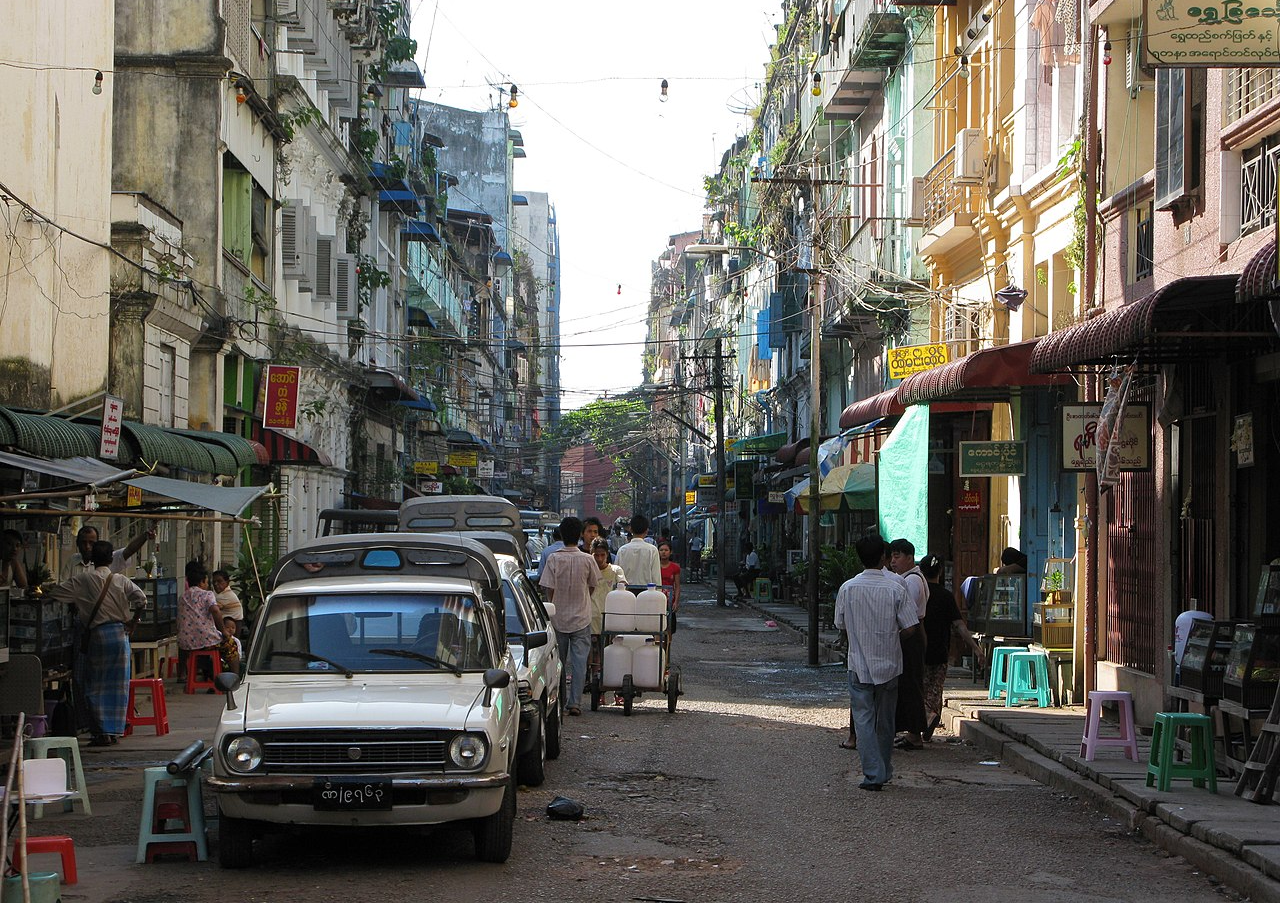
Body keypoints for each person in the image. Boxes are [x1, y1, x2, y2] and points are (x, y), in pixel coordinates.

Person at [834, 534, 919, 791]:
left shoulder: (848, 588)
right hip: (889, 664)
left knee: (863, 719)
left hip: (858, 663)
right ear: (883, 557)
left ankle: (874, 774)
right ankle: (884, 768)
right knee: (886, 720)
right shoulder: (896, 587)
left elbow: (840, 624)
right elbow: (911, 627)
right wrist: (892, 636)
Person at [48, 540, 146, 746]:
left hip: (98, 636)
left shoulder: (83, 579)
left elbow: (55, 593)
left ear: (92, 559)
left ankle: (100, 732)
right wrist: (134, 622)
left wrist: (80, 601)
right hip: (120, 636)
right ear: (111, 558)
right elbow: (141, 599)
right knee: (118, 685)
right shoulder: (120, 580)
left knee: (95, 684)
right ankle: (114, 731)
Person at [538, 517, 598, 716]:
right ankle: (575, 703)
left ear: (561, 535)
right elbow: (592, 585)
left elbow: (548, 588)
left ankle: (560, 701)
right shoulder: (588, 559)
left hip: (558, 618)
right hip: (582, 617)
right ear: (580, 534)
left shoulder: (554, 558)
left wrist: (554, 606)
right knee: (580, 663)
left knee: (558, 663)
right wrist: (583, 599)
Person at [919, 554, 980, 740]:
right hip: (939, 651)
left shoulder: (918, 593)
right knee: (935, 688)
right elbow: (959, 625)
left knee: (918, 687)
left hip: (918, 650)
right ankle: (931, 716)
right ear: (940, 572)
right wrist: (975, 648)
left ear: (921, 571)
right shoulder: (945, 596)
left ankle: (921, 721)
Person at [889, 538, 929, 750]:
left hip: (910, 634)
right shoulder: (903, 578)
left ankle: (915, 733)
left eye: (897, 557)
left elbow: (909, 614)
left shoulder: (912, 580)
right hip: (909, 633)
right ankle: (909, 731)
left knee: (911, 685)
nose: (893, 562)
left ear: (909, 557)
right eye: (892, 557)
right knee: (906, 685)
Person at [178, 560, 225, 685]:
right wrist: (224, 631)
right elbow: (215, 610)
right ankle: (232, 680)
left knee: (191, 647)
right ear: (202, 581)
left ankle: (182, 674)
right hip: (205, 640)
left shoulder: (182, 597)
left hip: (185, 642)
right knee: (231, 646)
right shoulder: (207, 594)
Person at [61, 524, 155, 582]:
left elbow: (129, 550)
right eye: (83, 542)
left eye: (91, 543)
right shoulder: (73, 560)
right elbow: (63, 585)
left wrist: (144, 536)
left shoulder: (107, 559)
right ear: (77, 543)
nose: (87, 547)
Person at [615, 513, 661, 588]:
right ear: (646, 531)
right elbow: (656, 577)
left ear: (631, 529)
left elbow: (616, 575)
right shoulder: (652, 550)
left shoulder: (622, 550)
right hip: (647, 594)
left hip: (626, 594)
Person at [658, 540, 681, 634]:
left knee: (669, 628)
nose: (663, 552)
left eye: (666, 550)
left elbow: (677, 586)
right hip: (657, 599)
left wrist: (676, 602)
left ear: (670, 552)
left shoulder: (675, 567)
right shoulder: (653, 566)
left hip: (669, 601)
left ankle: (668, 647)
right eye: (661, 550)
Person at [211, 569, 244, 635]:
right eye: (214, 582)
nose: (216, 584)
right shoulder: (224, 593)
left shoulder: (225, 596)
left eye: (219, 581)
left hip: (231, 628)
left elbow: (212, 610)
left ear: (227, 582)